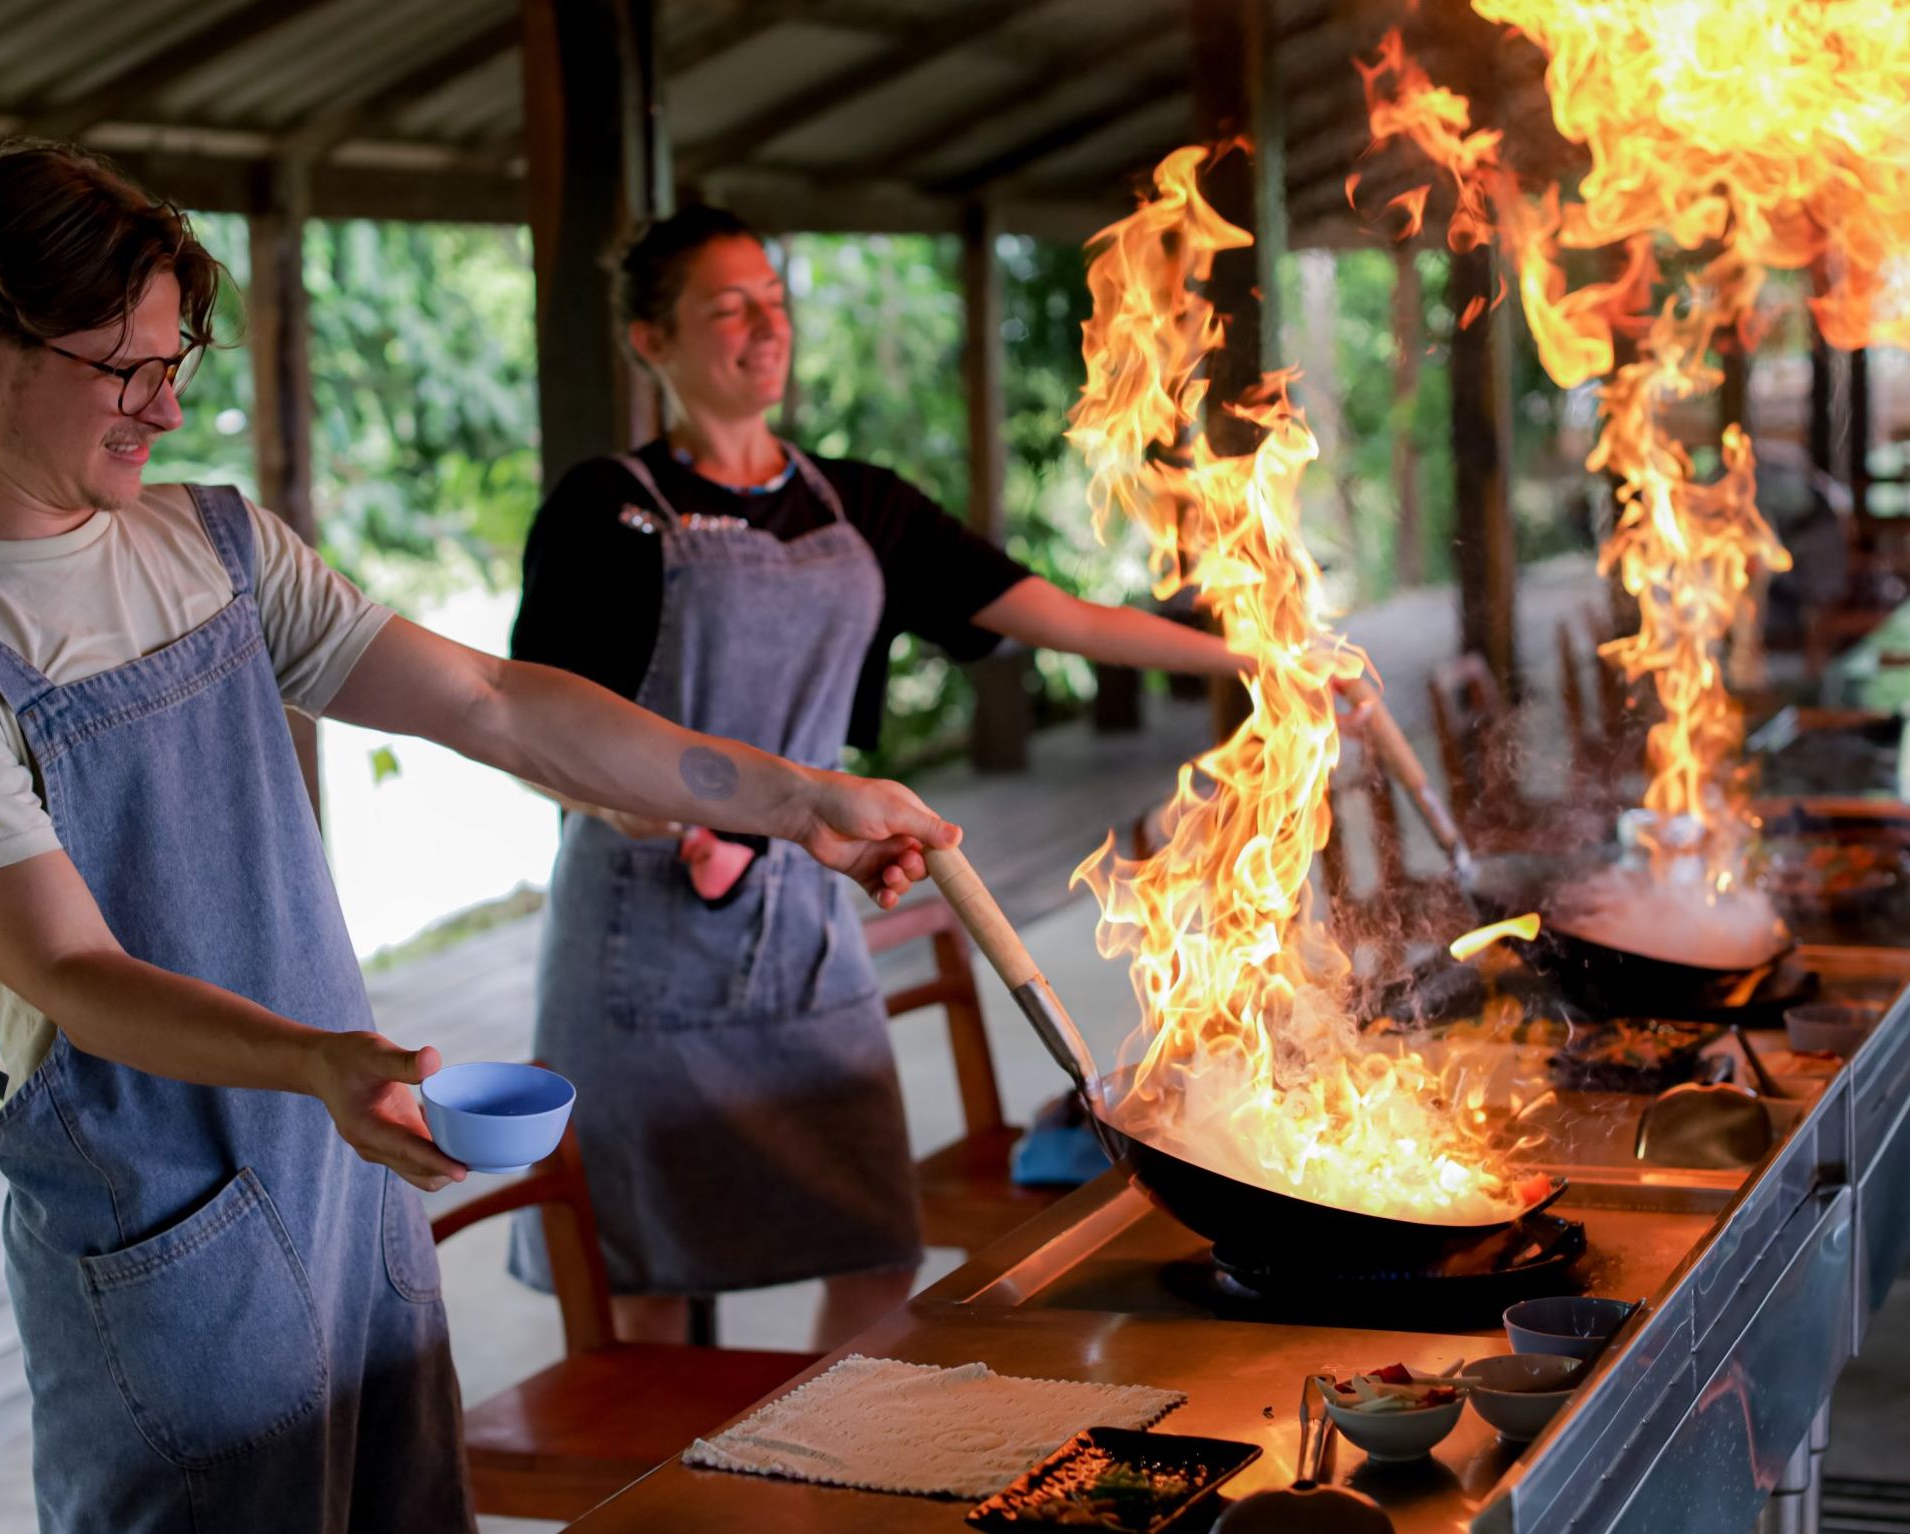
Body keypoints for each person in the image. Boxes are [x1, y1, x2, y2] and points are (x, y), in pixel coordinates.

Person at [0, 144, 956, 1534]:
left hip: (349, 1166)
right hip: (168, 1223)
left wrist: (793, 798)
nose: (167, 404)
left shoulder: (214, 543)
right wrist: (312, 1063)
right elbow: (69, 969)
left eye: (178, 360)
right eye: (124, 368)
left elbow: (491, 700)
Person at [510, 204, 1375, 1352]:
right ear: (651, 343)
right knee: (644, 1286)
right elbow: (541, 734)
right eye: (728, 309)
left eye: (774, 301)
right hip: (641, 941)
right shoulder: (603, 509)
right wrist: (665, 816)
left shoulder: (859, 506)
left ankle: (822, 1502)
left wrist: (1263, 657)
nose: (764, 327)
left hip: (808, 927)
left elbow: (1059, 616)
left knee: (874, 1248)